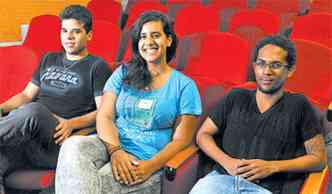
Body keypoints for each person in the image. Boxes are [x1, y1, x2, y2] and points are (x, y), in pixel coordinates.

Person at [55, 11, 202, 194]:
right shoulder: (123, 73)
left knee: (88, 182)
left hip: (146, 160)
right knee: (72, 145)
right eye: (143, 36)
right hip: (110, 144)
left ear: (169, 40)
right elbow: (105, 116)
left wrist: (149, 166)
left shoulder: (185, 86)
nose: (148, 42)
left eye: (155, 35)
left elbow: (182, 140)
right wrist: (115, 151)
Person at [190, 35, 327, 194]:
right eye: (261, 63)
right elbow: (203, 135)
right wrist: (227, 162)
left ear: (290, 70)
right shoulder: (235, 96)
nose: (267, 71)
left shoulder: (299, 105)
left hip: (263, 188)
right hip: (219, 180)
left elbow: (318, 159)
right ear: (254, 67)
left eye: (275, 65)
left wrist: (272, 166)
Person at [0, 5, 111, 194]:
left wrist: (71, 123)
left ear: (89, 35)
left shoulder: (97, 66)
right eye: (65, 31)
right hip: (27, 137)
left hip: (58, 140)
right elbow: (26, 95)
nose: (68, 37)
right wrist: (2, 108)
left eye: (76, 32)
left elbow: (104, 112)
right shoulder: (48, 59)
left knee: (34, 110)